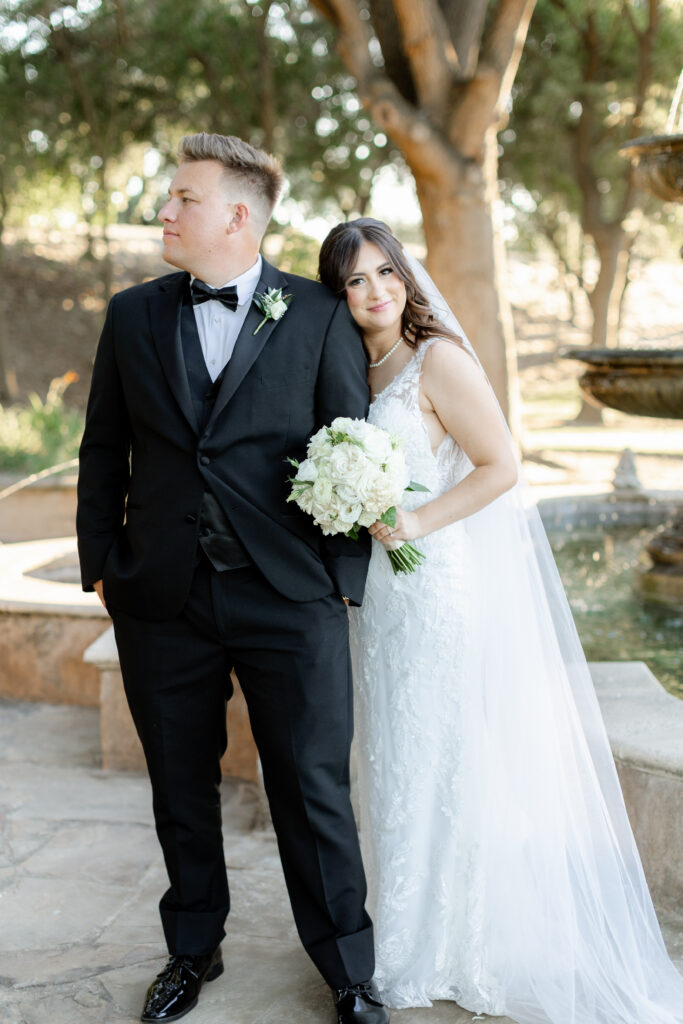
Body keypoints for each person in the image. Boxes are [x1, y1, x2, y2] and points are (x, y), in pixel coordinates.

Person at [318, 217, 683, 1024]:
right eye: (355, 280)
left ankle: (455, 945)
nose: (376, 290)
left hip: (436, 587)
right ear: (337, 295)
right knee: (394, 759)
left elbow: (501, 466)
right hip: (380, 603)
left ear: (405, 276)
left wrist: (416, 524)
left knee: (446, 761)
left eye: (386, 272)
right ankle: (405, 930)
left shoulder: (436, 361)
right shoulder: (356, 367)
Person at [77, 135, 389, 1024]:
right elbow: (103, 448)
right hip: (160, 597)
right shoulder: (131, 314)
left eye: (182, 198)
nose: (165, 213)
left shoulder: (319, 313)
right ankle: (191, 950)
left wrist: (341, 582)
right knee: (179, 782)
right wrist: (103, 564)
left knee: (312, 784)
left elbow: (351, 444)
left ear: (237, 216)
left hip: (289, 594)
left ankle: (346, 969)